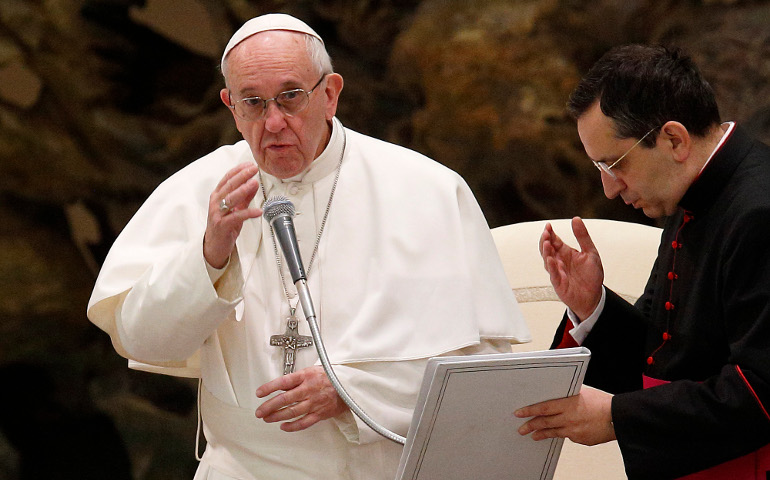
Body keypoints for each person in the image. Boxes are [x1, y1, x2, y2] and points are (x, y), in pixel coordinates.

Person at [87, 13, 530, 480]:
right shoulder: (200, 190)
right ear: (229, 106)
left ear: (330, 94)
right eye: (253, 103)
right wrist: (208, 255)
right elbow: (142, 339)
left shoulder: (428, 189)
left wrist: (351, 392)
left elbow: (484, 371)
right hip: (244, 470)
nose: (273, 122)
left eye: (290, 97)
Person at [514, 44, 770, 479]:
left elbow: (761, 391)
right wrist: (592, 306)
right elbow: (666, 356)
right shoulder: (688, 191)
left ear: (674, 139)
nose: (610, 188)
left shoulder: (760, 210)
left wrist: (616, 415)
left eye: (614, 163)